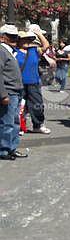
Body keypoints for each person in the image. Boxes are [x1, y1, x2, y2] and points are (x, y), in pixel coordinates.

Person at [0, 25, 28, 160]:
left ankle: (12, 148)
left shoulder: (10, 51)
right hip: (9, 92)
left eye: (15, 37)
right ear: (2, 37)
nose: (14, 39)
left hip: (16, 91)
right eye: (10, 37)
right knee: (7, 122)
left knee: (15, 122)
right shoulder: (2, 51)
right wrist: (3, 94)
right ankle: (4, 150)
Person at [15, 29, 51, 134]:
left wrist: (38, 33)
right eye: (24, 39)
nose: (26, 41)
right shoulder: (14, 52)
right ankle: (20, 126)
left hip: (33, 82)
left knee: (37, 105)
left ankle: (38, 125)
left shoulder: (34, 50)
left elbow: (46, 46)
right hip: (19, 83)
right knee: (20, 107)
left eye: (28, 39)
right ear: (18, 41)